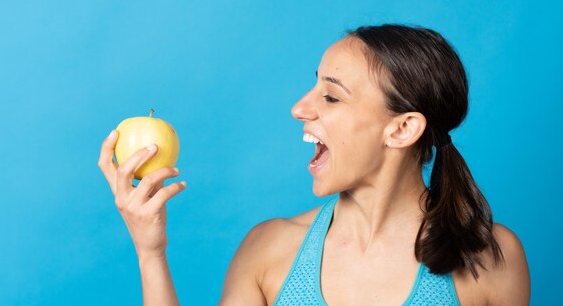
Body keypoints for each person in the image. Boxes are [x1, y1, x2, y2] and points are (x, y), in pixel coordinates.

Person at [98, 24, 531, 306]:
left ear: (402, 129)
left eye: (331, 95)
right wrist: (150, 253)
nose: (299, 108)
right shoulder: (269, 250)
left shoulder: (489, 257)